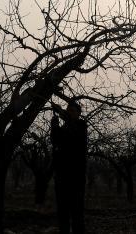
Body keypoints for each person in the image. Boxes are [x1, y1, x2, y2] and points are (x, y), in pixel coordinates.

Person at [51, 98, 88, 234]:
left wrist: (60, 111)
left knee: (77, 212)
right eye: (68, 111)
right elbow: (54, 141)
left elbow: (72, 127)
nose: (70, 113)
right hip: (61, 177)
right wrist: (54, 123)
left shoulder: (81, 125)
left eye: (72, 111)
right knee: (62, 212)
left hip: (76, 178)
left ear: (79, 113)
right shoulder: (64, 128)